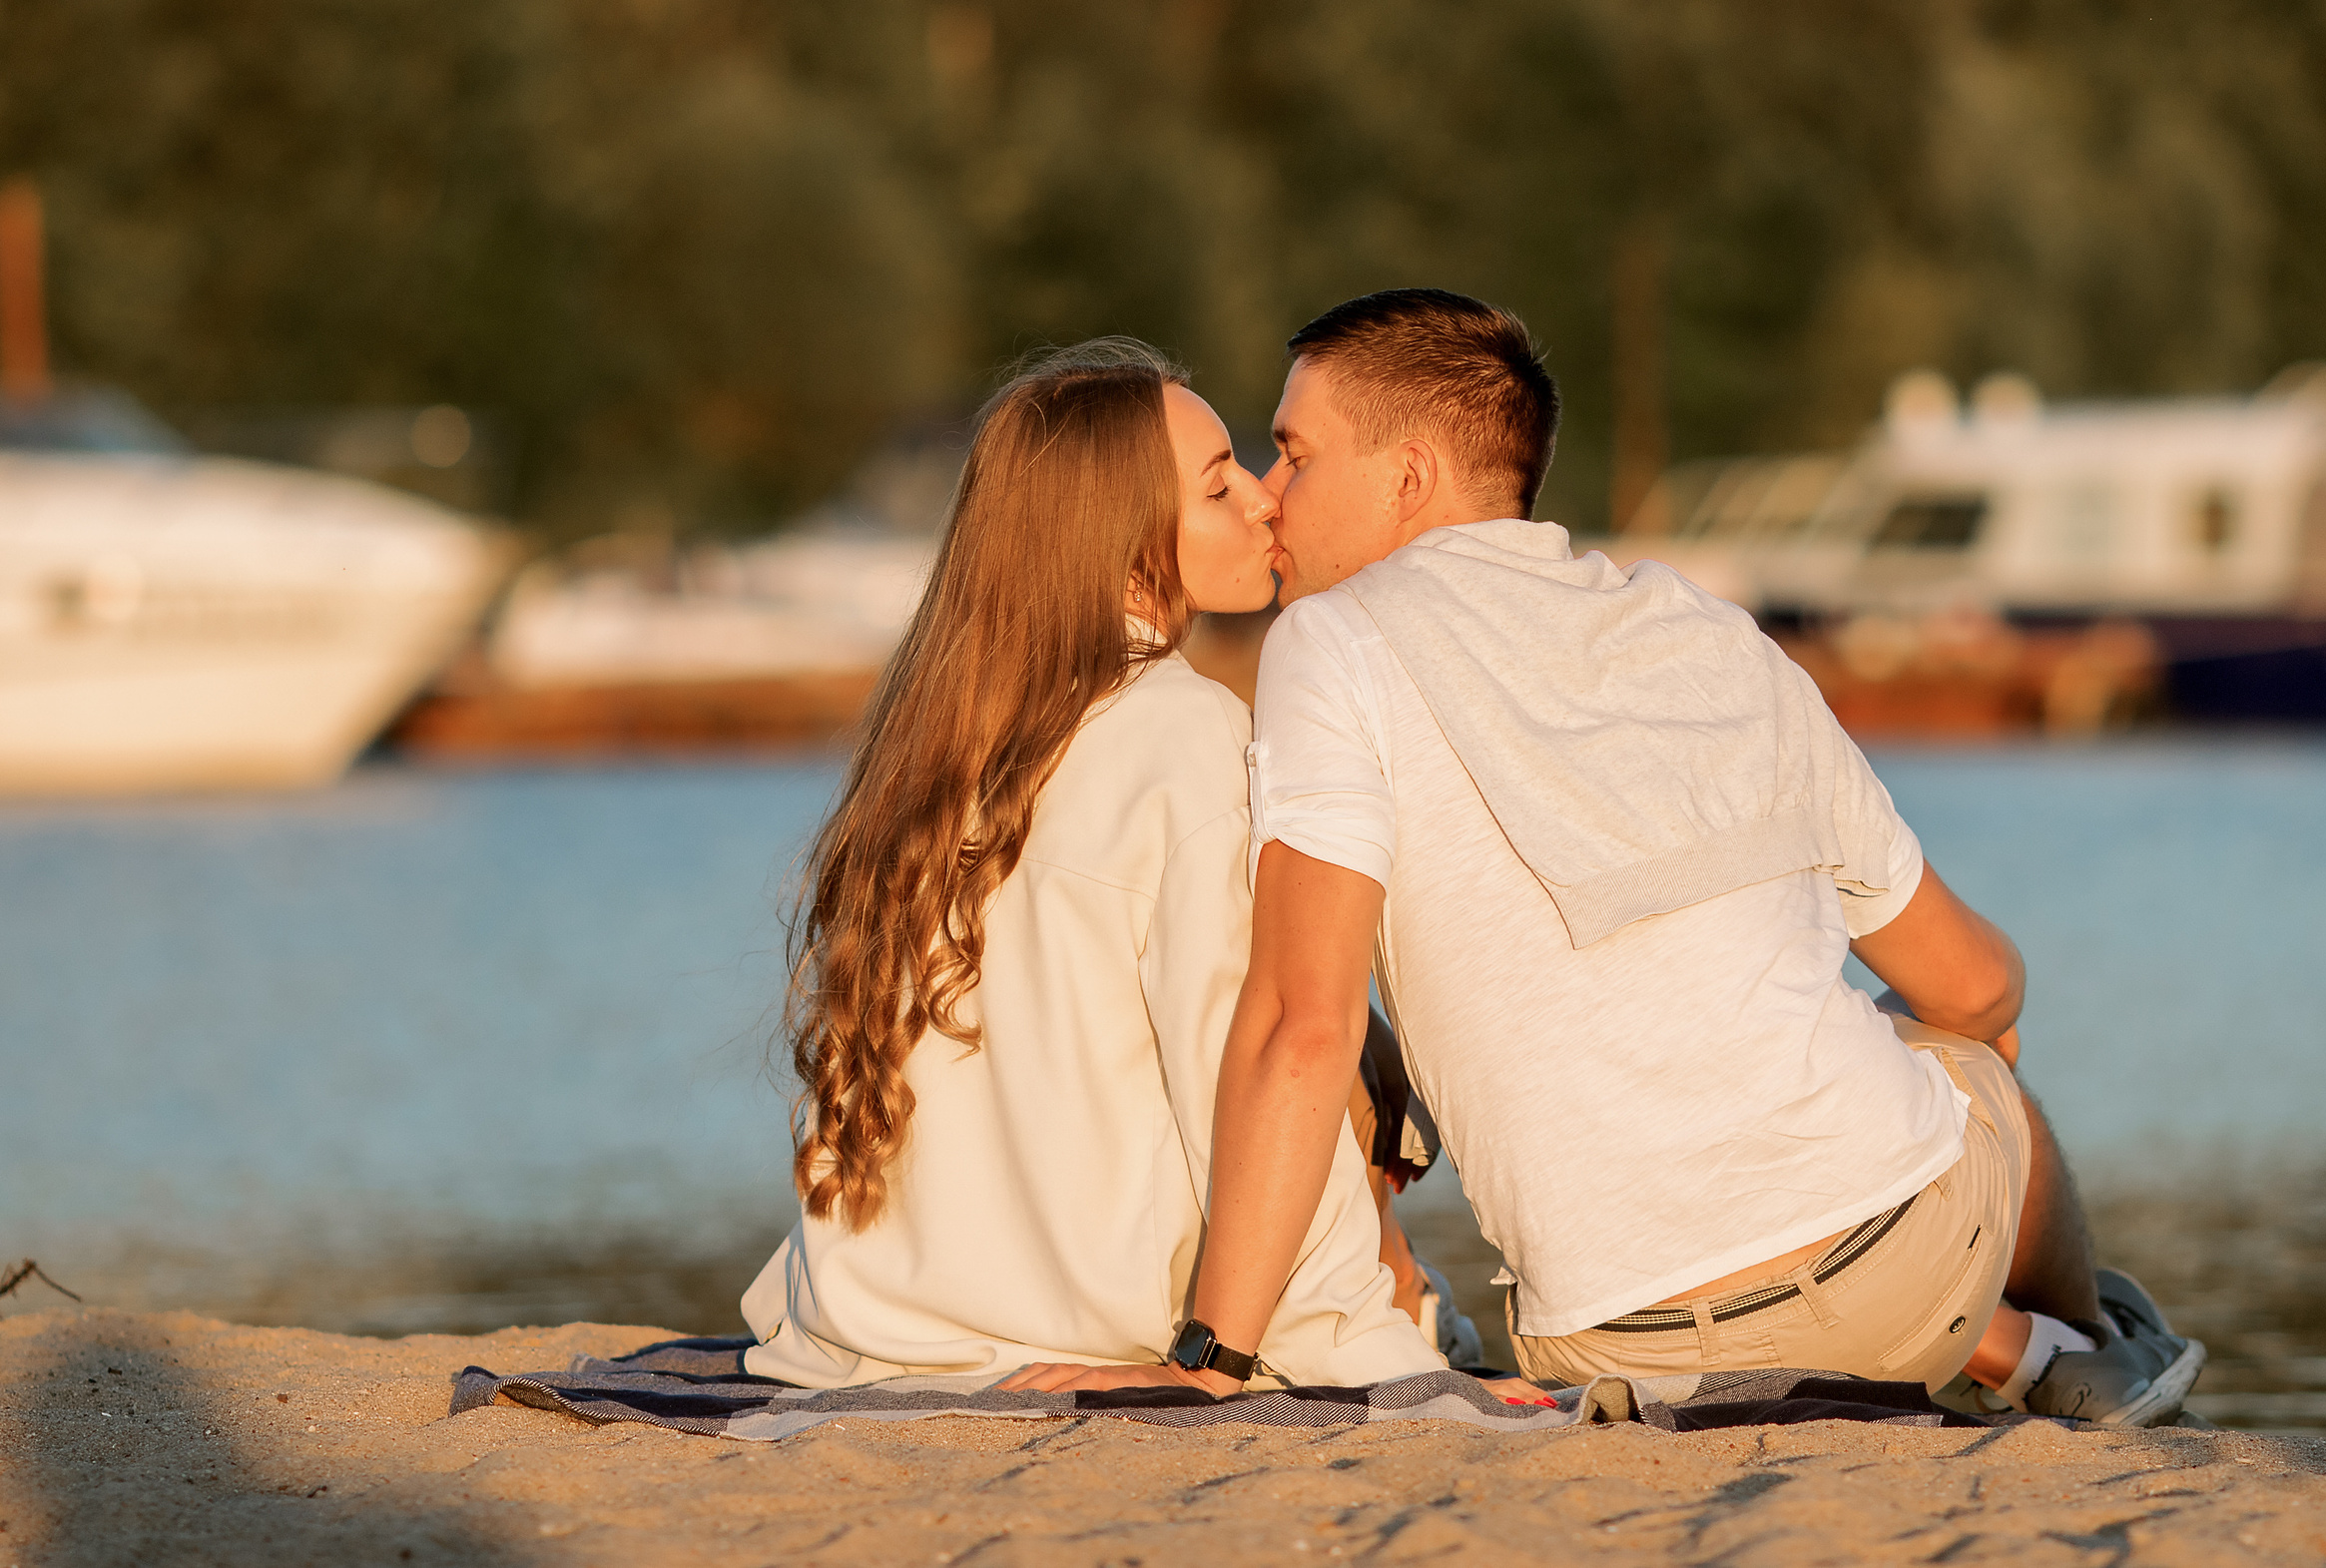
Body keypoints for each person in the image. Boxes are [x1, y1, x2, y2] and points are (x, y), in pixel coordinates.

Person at [1008, 290, 2205, 1424]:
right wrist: (1961, 1038)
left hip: (1616, 1340)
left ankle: (2034, 1346)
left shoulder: (1335, 641)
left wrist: (1210, 1362)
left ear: (1407, 477)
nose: (1272, 494)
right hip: (1897, 1283)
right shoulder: (1704, 632)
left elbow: (1300, 1023)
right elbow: (1980, 984)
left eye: (1295, 453)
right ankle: (2084, 1348)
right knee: (1966, 1055)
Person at [737, 337, 1443, 1391]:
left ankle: (1412, 1290)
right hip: (1095, 1325)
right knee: (1321, 1012)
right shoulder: (1186, 736)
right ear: (1119, 547)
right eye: (1218, 486)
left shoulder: (937, 746)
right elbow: (1241, 1062)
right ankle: (1408, 1295)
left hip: (877, 1326)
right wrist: (1330, 1341)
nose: (1263, 502)